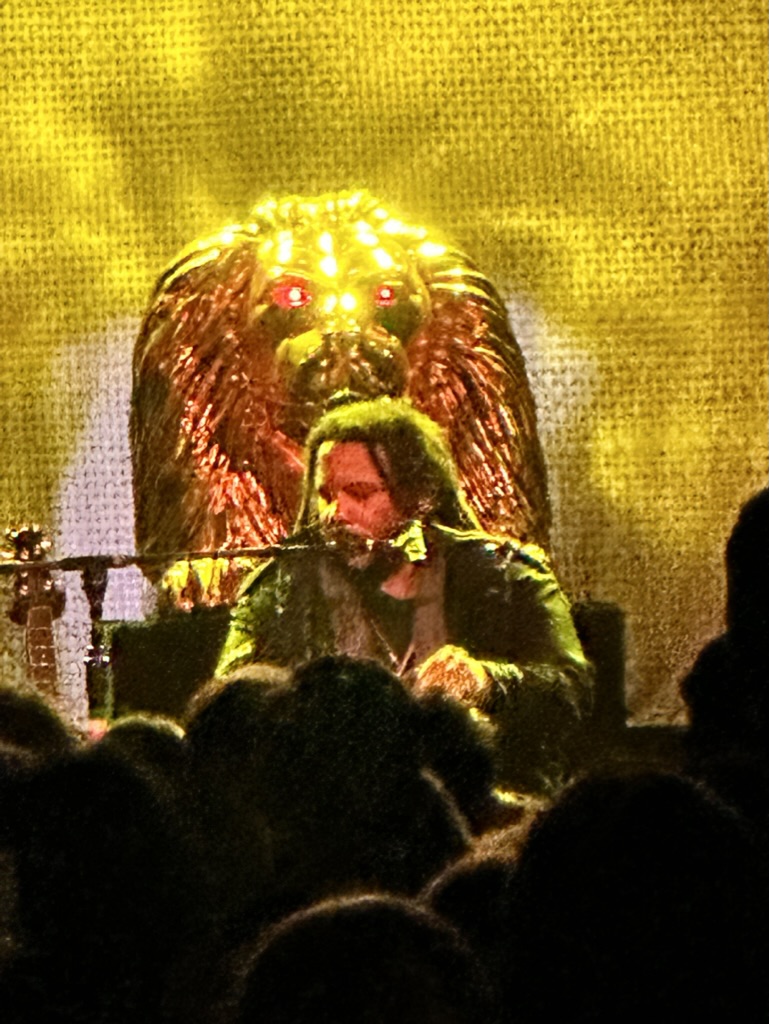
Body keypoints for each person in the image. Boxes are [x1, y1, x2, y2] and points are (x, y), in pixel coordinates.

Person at [216, 397, 591, 793]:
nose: (336, 513)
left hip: (474, 802)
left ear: (417, 496)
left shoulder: (506, 577)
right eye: (325, 495)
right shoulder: (281, 588)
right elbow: (228, 707)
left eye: (359, 493)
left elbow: (571, 689)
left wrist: (487, 681)